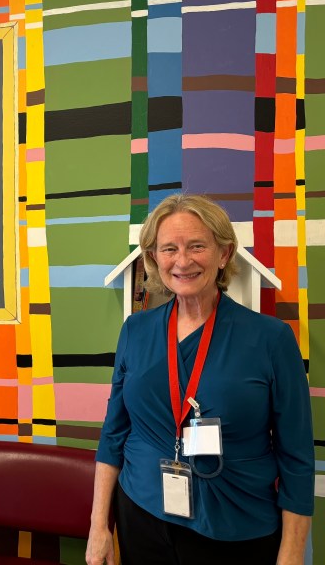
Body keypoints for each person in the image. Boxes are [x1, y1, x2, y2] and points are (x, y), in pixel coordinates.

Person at [85, 194, 314, 565]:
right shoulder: (136, 331)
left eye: (197, 246)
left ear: (223, 254)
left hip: (237, 527)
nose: (183, 260)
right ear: (154, 258)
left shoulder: (270, 339)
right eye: (169, 248)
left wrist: (290, 554)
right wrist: (99, 527)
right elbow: (114, 433)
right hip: (142, 514)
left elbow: (297, 456)